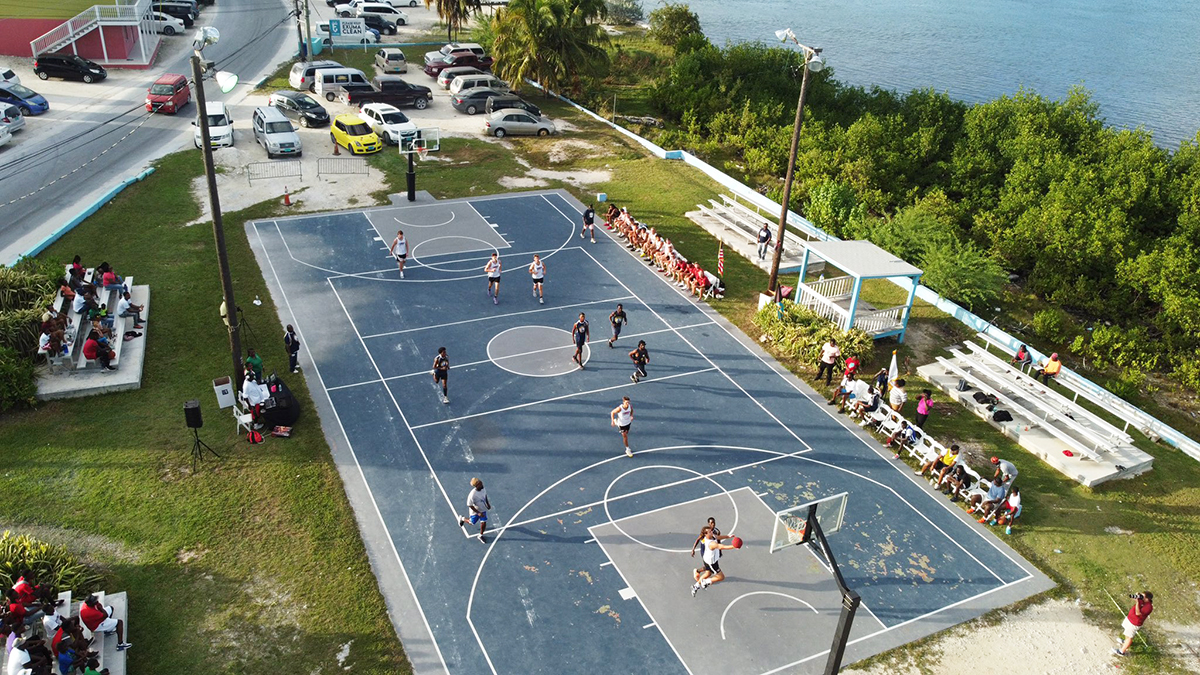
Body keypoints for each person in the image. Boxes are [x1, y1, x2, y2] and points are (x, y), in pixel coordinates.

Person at [691, 526, 737, 596]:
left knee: (708, 574)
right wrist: (734, 546)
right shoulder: (711, 544)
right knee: (721, 577)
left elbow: (718, 537)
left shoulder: (712, 536)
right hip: (711, 563)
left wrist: (728, 536)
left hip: (707, 560)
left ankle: (696, 586)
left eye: (711, 531)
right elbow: (722, 547)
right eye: (710, 532)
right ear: (706, 534)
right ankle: (705, 582)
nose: (712, 532)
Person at [1115, 591, 1153, 656]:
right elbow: (1133, 598)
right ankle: (1125, 642)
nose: (1141, 597)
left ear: (1147, 599)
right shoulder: (1142, 600)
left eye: (1142, 596)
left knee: (1129, 637)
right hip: (1130, 619)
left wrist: (1138, 602)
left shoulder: (1148, 607)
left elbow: (1138, 613)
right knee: (1127, 633)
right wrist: (1137, 596)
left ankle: (1121, 651)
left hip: (1134, 623)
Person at [457, 477, 491, 543]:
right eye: (480, 484)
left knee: (484, 522)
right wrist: (478, 513)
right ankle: (462, 518)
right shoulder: (472, 495)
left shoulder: (483, 488)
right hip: (475, 512)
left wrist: (488, 504)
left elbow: (485, 496)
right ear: (476, 486)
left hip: (482, 509)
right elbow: (469, 505)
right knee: (471, 523)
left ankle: (480, 535)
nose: (482, 484)